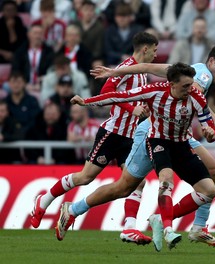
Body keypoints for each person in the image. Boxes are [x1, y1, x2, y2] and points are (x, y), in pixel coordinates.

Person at [83, 44, 215, 247]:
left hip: (177, 132)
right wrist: (207, 121)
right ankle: (79, 208)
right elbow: (194, 93)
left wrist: (114, 71)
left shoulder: (192, 69)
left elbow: (147, 67)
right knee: (126, 186)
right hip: (157, 130)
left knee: (214, 170)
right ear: (211, 62)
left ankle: (197, 227)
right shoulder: (204, 76)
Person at [58, 63, 215, 253]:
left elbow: (208, 122)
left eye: (191, 85)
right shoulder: (155, 91)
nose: (190, 89)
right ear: (172, 84)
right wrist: (87, 102)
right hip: (153, 139)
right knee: (125, 187)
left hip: (181, 143)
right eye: (185, 86)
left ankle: (167, 224)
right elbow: (119, 96)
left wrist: (210, 132)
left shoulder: (195, 96)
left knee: (209, 187)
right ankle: (74, 210)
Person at [30, 32, 158, 247]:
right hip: (112, 133)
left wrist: (143, 110)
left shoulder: (142, 73)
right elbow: (107, 91)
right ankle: (44, 201)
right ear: (145, 49)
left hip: (130, 136)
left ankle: (129, 228)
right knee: (85, 177)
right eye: (154, 49)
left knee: (138, 181)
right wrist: (131, 108)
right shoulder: (126, 68)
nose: (156, 54)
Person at [0, 99, 24, 163]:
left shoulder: (13, 122)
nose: (0, 114)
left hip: (12, 159)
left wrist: (4, 137)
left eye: (2, 111)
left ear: (7, 112)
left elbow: (19, 136)